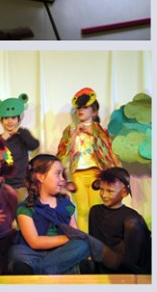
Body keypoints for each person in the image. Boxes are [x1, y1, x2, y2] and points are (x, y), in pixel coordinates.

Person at [7, 154, 90, 274]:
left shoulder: (66, 204)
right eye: (57, 174)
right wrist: (67, 238)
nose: (62, 179)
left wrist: (76, 238)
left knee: (83, 245)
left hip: (61, 252)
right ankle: (63, 269)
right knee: (15, 251)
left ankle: (40, 269)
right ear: (40, 177)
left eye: (62, 174)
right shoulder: (25, 208)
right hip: (35, 252)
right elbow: (34, 242)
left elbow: (75, 232)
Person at [56, 87, 120, 233]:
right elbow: (63, 152)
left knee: (96, 209)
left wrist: (93, 133)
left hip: (95, 173)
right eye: (79, 108)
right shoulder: (70, 129)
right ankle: (85, 243)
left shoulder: (99, 130)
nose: (81, 111)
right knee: (83, 209)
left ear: (94, 111)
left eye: (85, 107)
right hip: (78, 173)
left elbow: (107, 150)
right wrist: (74, 136)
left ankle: (97, 242)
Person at [85, 167, 151, 274]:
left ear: (124, 193)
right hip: (99, 269)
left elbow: (133, 261)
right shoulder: (95, 211)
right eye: (102, 189)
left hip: (123, 272)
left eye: (110, 191)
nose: (104, 195)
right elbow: (94, 244)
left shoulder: (132, 220)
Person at [0, 94, 40, 200]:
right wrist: (2, 138)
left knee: (21, 212)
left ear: (19, 119)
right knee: (7, 213)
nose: (10, 121)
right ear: (1, 120)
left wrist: (20, 131)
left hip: (22, 184)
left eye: (13, 118)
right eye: (6, 118)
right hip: (4, 184)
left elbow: (34, 145)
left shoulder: (22, 136)